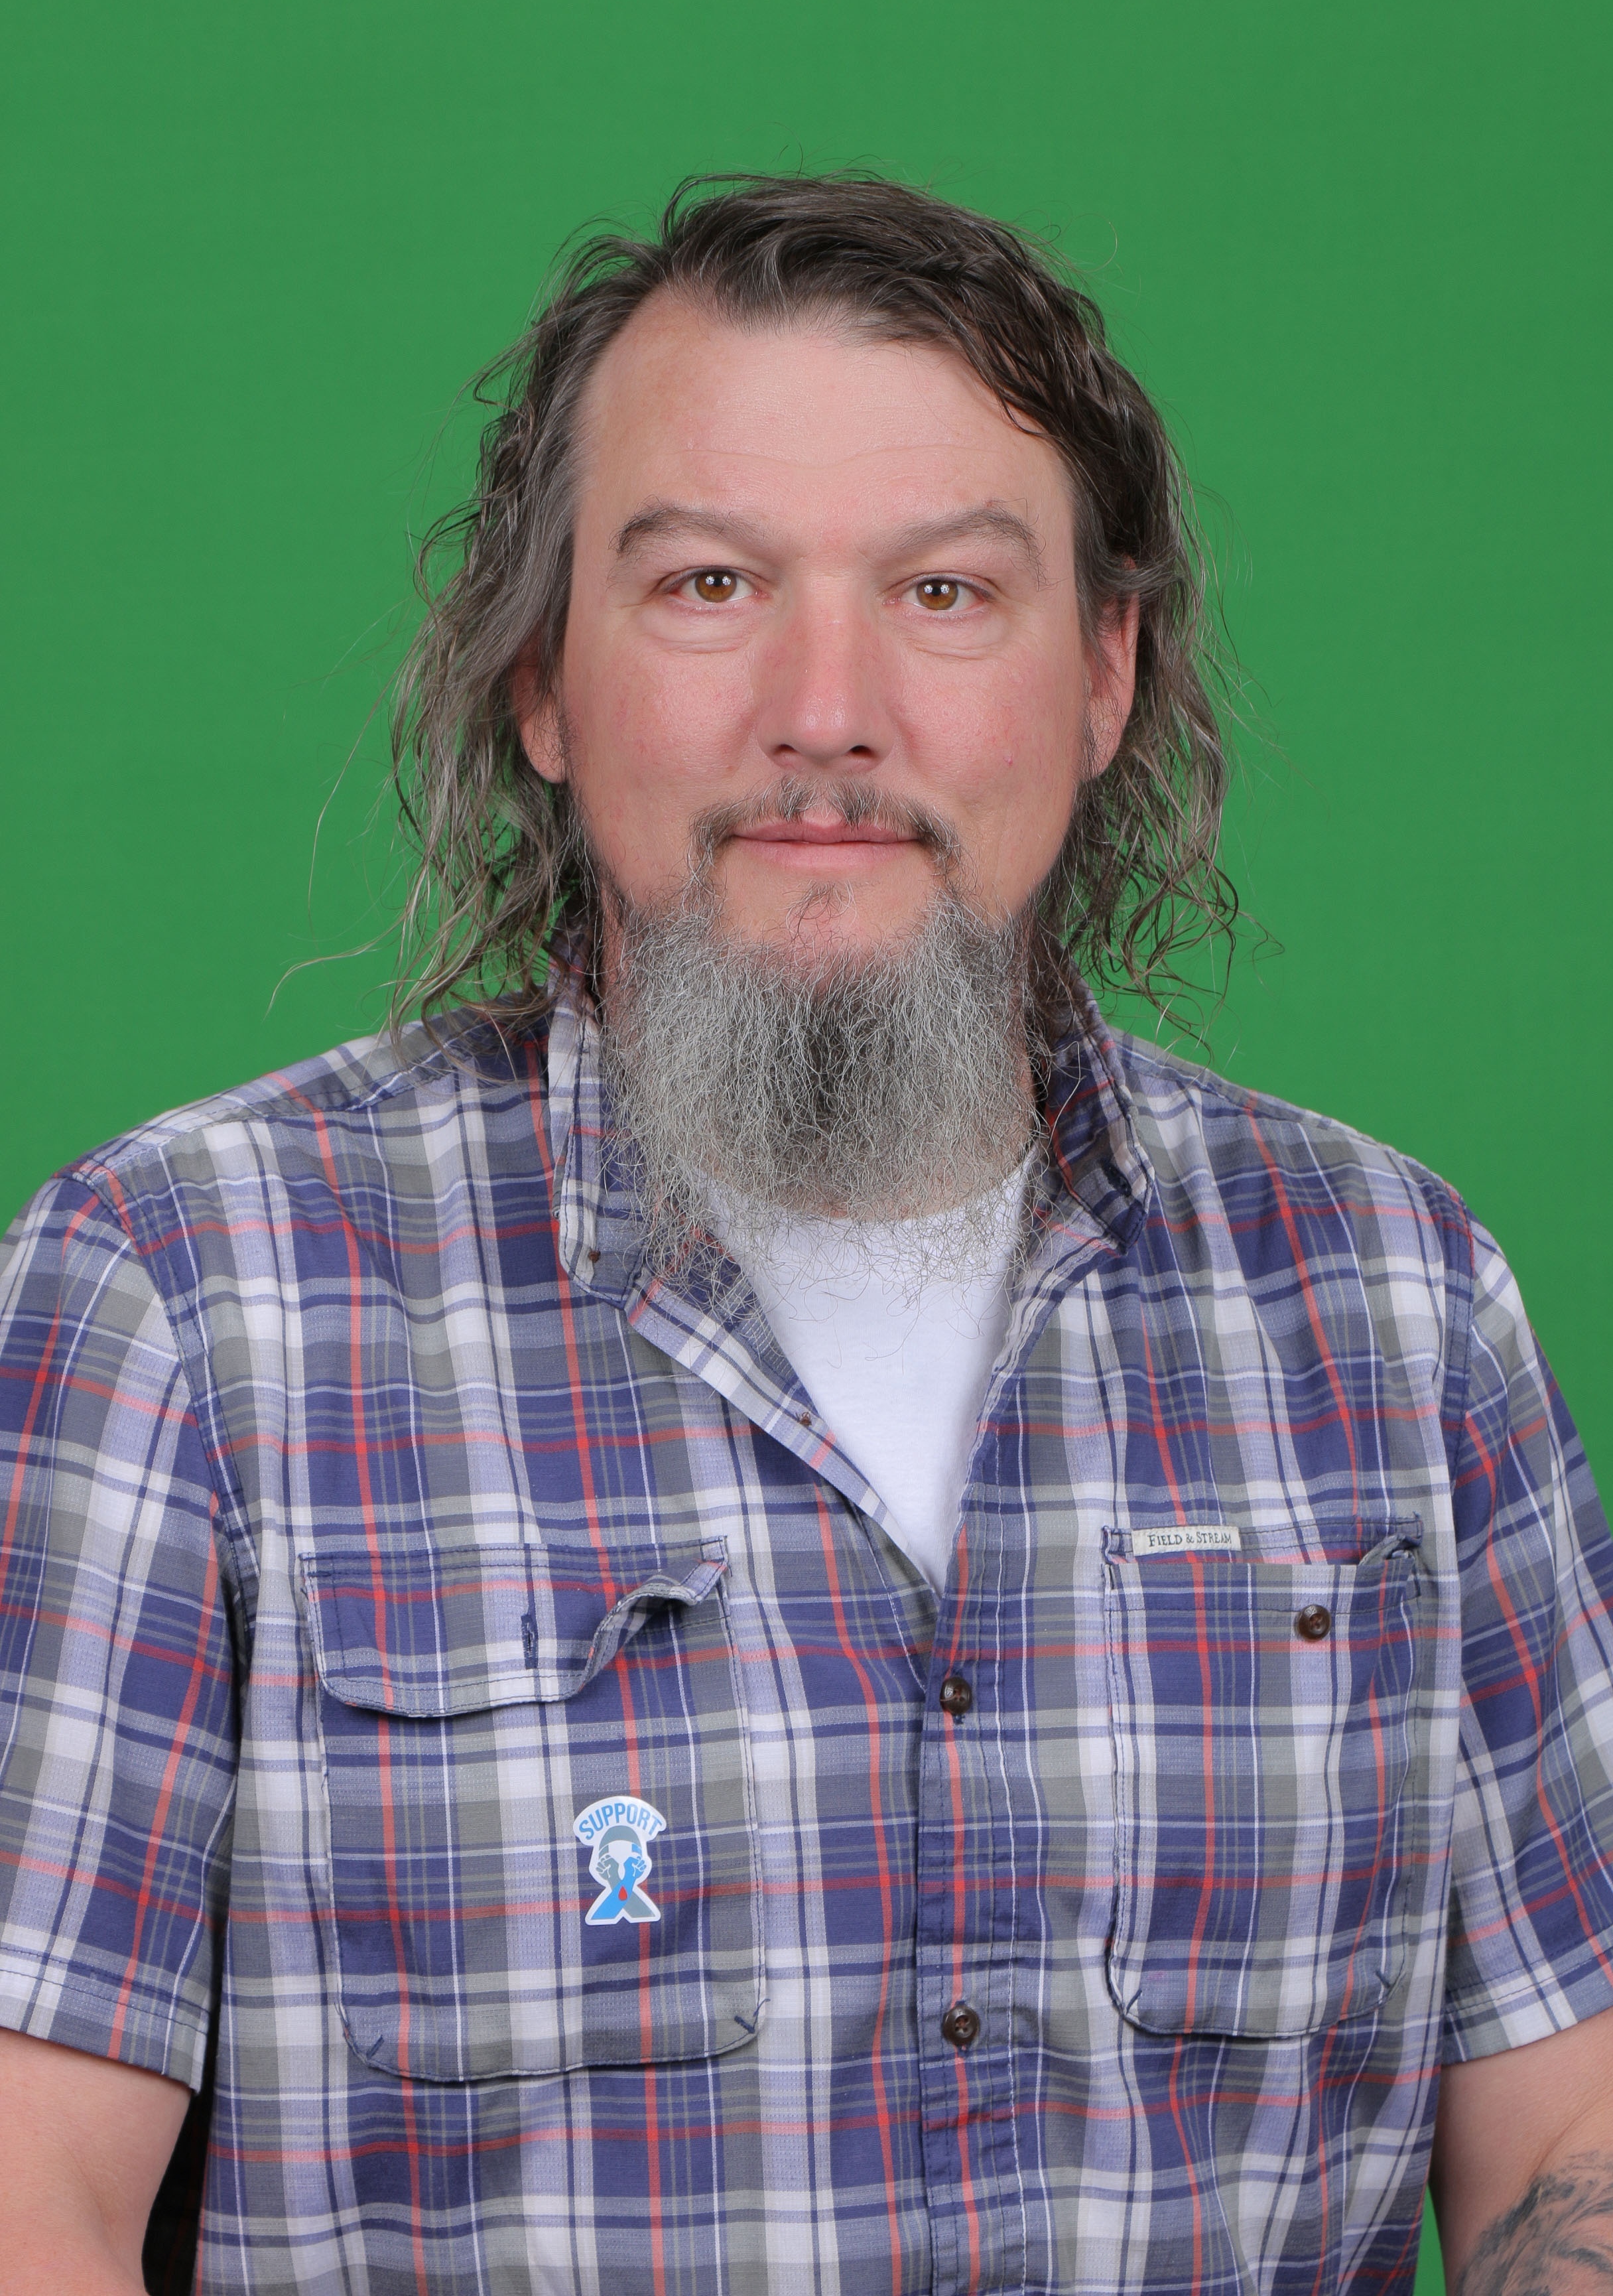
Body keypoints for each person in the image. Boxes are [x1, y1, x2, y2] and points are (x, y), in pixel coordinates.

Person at [1, 173, 1610, 2296]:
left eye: (945, 593)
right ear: (542, 682)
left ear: (1104, 675)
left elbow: (1565, 2147)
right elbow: (31, 2196)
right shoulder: (188, 1299)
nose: (826, 708)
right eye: (709, 583)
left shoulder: (1392, 1302)